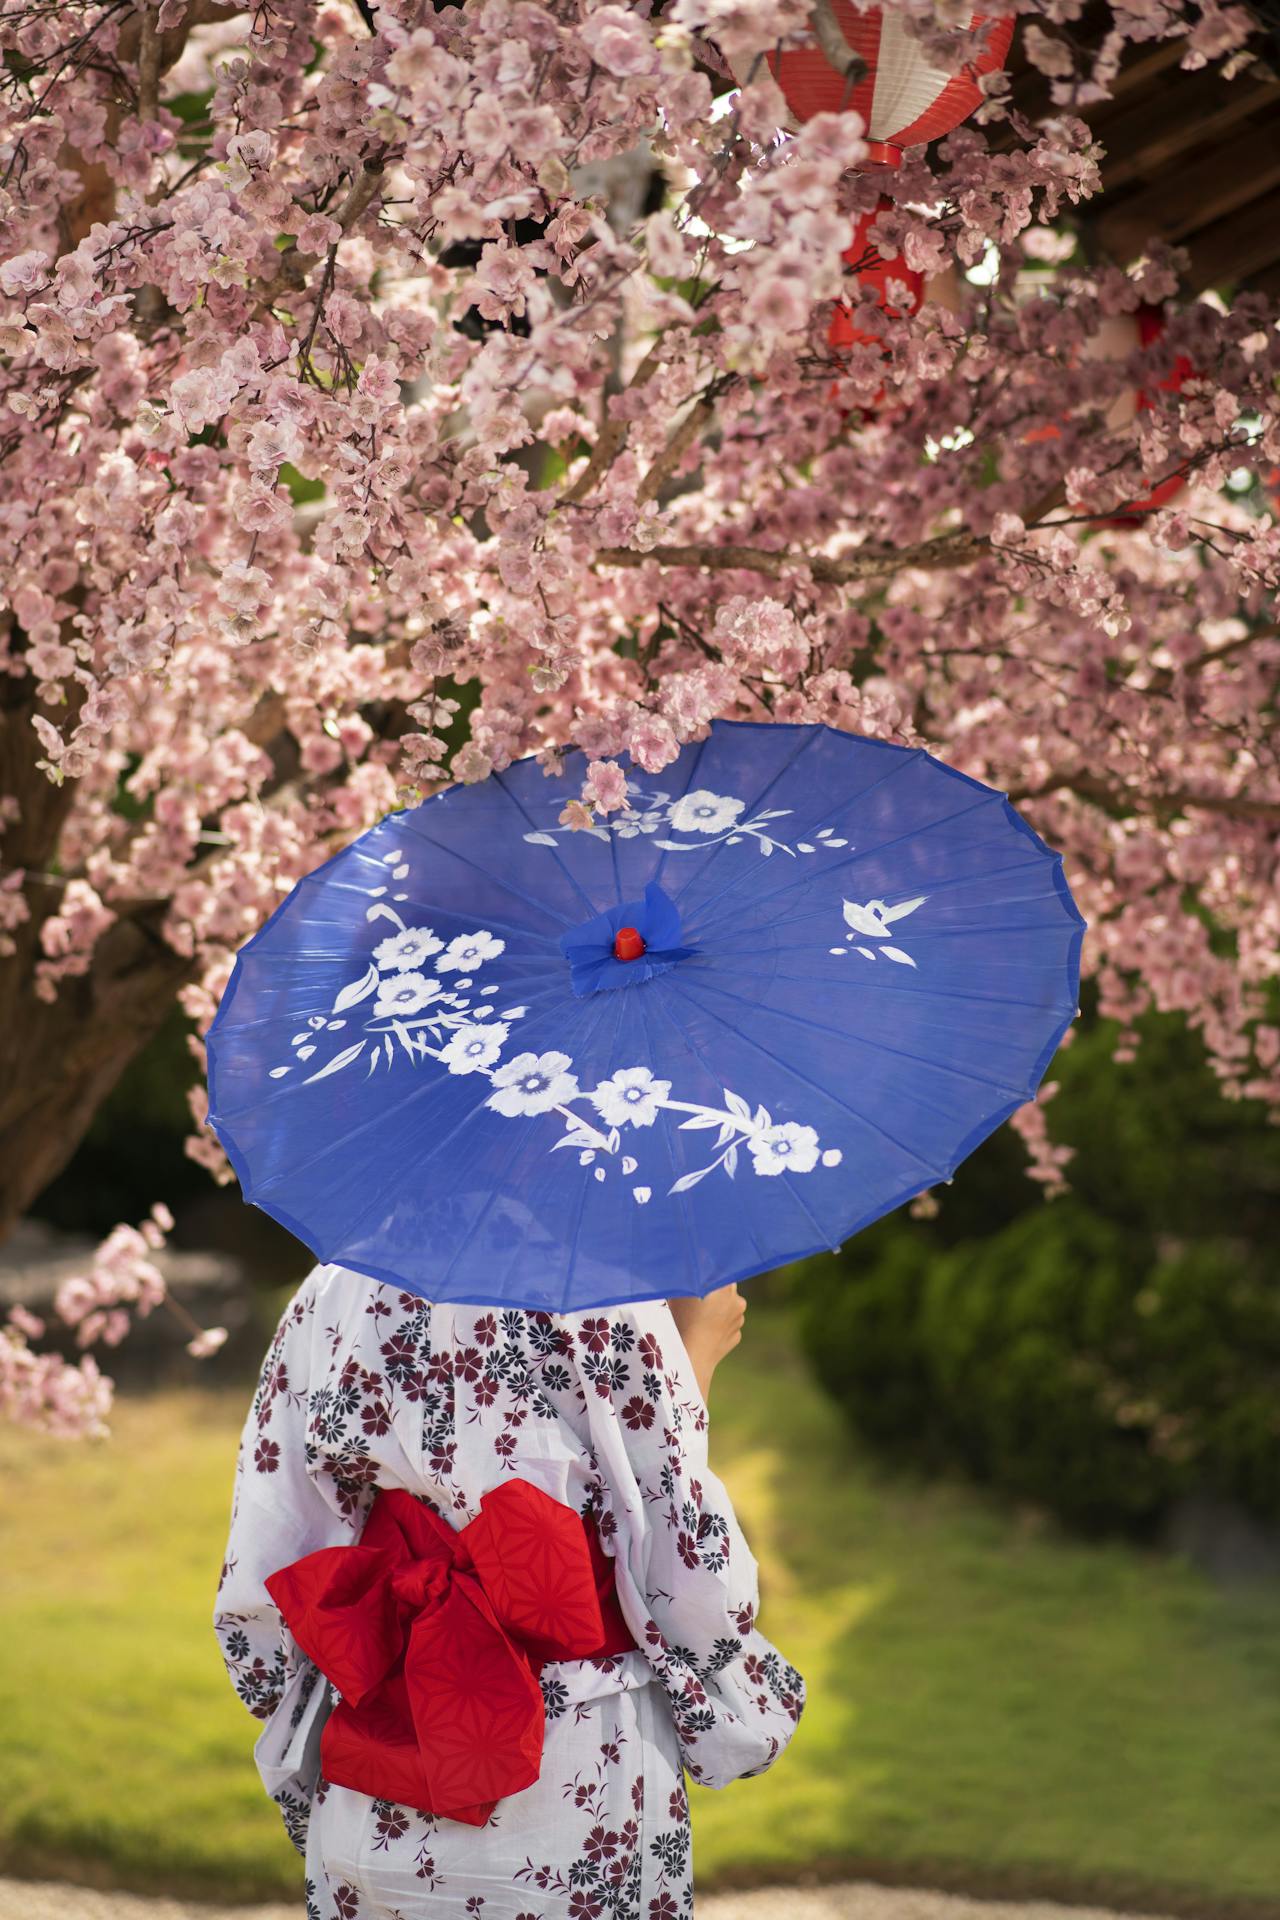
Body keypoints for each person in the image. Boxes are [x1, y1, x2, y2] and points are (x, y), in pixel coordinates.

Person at [215, 1270, 804, 1920]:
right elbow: (685, 1564)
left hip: (373, 1766)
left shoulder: (336, 1288)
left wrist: (300, 1706)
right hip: (573, 1778)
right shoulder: (602, 1287)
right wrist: (692, 1359)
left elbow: (267, 1558)